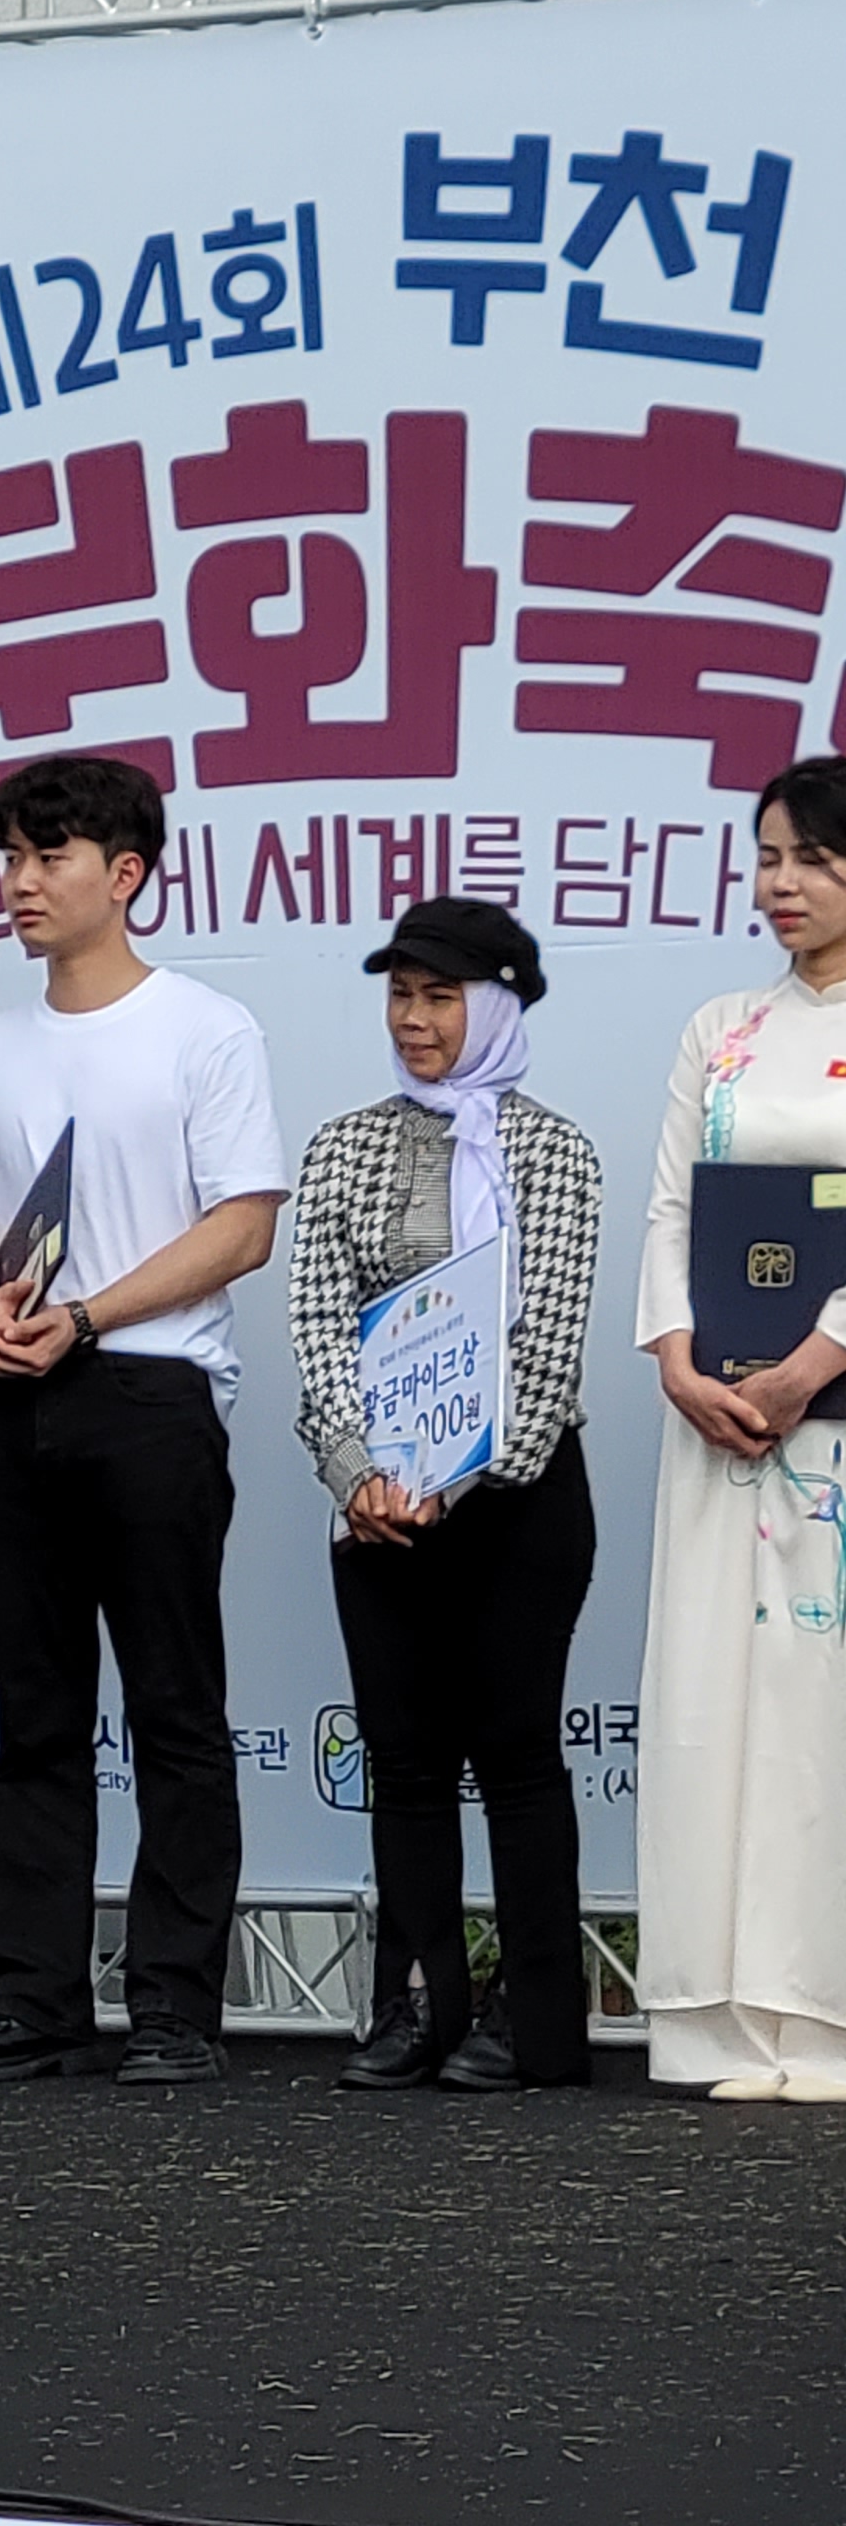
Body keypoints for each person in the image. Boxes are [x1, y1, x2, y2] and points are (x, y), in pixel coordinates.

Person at [0, 756, 286, 2090]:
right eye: (10, 859)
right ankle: (34, 1998)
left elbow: (243, 1225)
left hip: (150, 1390)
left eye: (49, 858)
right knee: (33, 1712)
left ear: (125, 873)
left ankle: (174, 2006)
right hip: (10, 1394)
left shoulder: (206, 1028)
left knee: (173, 1707)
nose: (20, 884)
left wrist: (87, 1315)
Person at [288, 900, 601, 2093]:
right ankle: (415, 2005)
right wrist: (357, 1473)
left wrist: (449, 1482)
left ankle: (537, 2024)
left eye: (441, 997)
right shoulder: (343, 1147)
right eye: (400, 995)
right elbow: (318, 1328)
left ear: (502, 1005)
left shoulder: (558, 1154)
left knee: (517, 1755)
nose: (413, 1020)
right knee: (406, 1763)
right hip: (377, 1504)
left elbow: (548, 1353)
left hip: (517, 1499)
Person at [634, 752, 846, 2099]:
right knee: (718, 1700)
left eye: (812, 858)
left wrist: (814, 1364)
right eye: (768, 857)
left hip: (832, 1420)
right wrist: (676, 1358)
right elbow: (672, 1209)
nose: (781, 883)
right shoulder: (722, 1026)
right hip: (720, 1423)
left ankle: (826, 2012)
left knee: (824, 1705)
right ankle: (724, 2015)